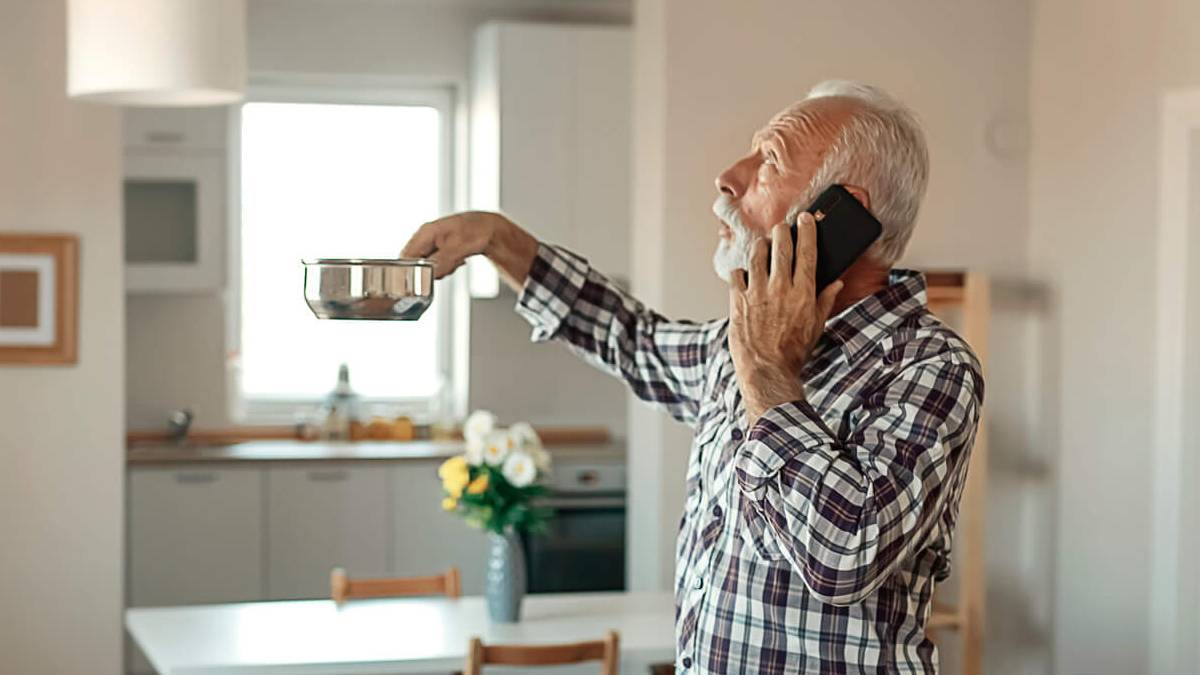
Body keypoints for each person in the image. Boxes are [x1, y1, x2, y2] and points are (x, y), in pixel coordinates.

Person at [401, 80, 983, 674]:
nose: (729, 176)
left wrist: (770, 372)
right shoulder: (736, 344)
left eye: (769, 161)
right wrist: (499, 241)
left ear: (840, 216)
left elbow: (844, 554)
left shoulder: (929, 366)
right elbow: (631, 338)